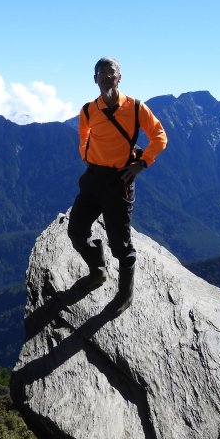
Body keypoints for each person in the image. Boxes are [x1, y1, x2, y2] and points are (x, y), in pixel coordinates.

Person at [67, 57, 167, 314]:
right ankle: (98, 270)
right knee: (76, 230)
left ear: (119, 77)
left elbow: (159, 136)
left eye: (111, 72)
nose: (106, 76)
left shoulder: (135, 108)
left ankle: (125, 294)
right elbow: (84, 135)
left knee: (120, 244)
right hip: (93, 178)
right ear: (95, 79)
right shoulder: (89, 110)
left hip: (118, 181)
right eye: (101, 72)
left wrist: (141, 164)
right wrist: (87, 154)